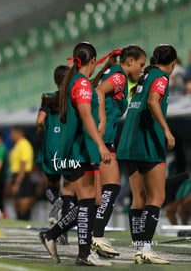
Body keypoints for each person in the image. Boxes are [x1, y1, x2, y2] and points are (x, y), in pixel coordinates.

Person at [39, 42, 112, 266]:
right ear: (92, 60)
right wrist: (100, 144)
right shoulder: (80, 83)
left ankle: (54, 237)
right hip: (79, 150)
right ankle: (80, 254)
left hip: (76, 150)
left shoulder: (77, 82)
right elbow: (86, 116)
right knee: (88, 202)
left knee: (87, 202)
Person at [116, 44, 177, 264]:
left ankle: (139, 249)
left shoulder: (146, 75)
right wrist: (166, 130)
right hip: (148, 143)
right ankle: (146, 250)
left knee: (138, 199)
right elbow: (153, 101)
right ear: (173, 64)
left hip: (128, 144)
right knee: (157, 197)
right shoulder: (161, 77)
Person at [90, 45, 147, 258]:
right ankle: (96, 236)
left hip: (101, 138)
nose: (142, 69)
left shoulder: (115, 75)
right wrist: (103, 120)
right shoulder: (119, 77)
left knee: (98, 195)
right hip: (102, 139)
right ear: (129, 61)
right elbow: (98, 92)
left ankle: (93, 237)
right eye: (141, 64)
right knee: (112, 187)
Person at [36, 65, 76, 244]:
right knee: (69, 189)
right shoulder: (74, 98)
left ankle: (56, 200)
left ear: (55, 81)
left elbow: (40, 120)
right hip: (67, 148)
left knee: (50, 185)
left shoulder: (48, 98)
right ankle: (63, 233)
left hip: (51, 147)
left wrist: (40, 128)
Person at [8, 126, 35, 220]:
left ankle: (25, 219)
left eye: (12, 133)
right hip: (17, 175)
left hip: (22, 175)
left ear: (18, 133)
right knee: (17, 204)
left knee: (23, 205)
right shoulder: (17, 145)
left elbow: (23, 164)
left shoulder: (24, 144)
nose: (11, 136)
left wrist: (17, 182)